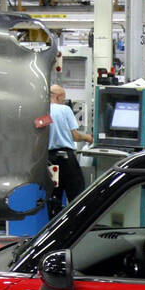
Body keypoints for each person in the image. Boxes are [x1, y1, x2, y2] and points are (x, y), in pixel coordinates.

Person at [47, 84, 91, 212]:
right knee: (77, 195)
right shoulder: (65, 109)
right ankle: (76, 225)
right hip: (66, 158)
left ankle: (54, 225)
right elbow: (75, 136)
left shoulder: (43, 111)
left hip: (50, 159)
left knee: (54, 194)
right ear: (59, 96)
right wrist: (87, 137)